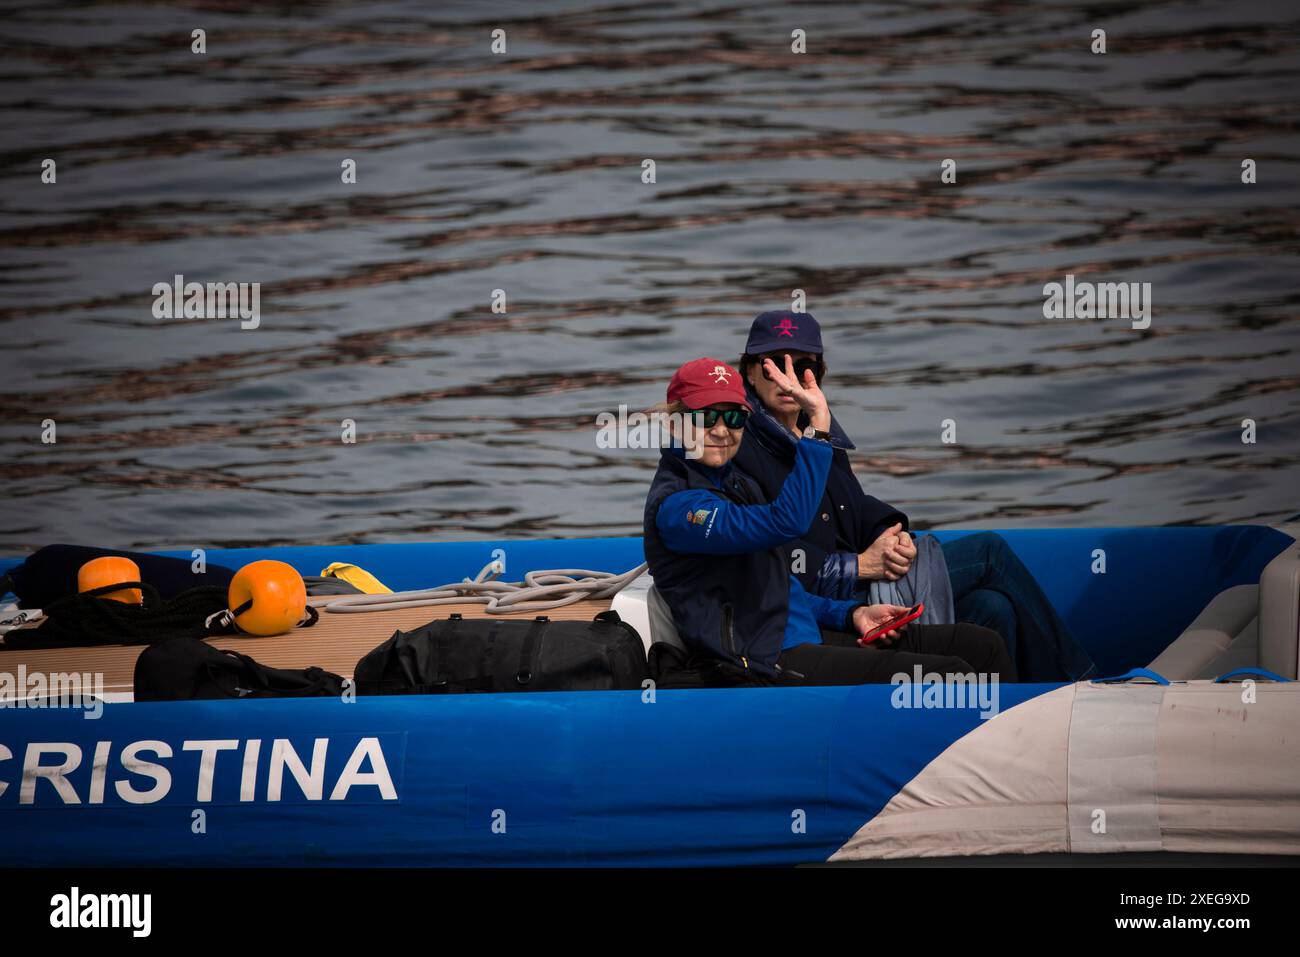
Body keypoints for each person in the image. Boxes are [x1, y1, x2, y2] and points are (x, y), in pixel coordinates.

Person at [731, 309, 1096, 682]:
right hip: (829, 597)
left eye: (802, 364)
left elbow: (850, 504)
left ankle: (1020, 715)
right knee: (990, 552)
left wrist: (889, 533)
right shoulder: (739, 445)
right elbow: (763, 551)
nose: (787, 378)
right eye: (773, 364)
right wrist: (858, 565)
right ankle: (1080, 681)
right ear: (749, 371)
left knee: (992, 607)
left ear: (819, 373)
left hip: (866, 575)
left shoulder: (815, 423)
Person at [641, 355, 1016, 686]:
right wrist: (818, 430)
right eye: (706, 417)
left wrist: (852, 613)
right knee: (954, 672)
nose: (721, 430)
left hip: (799, 635)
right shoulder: (680, 508)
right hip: (763, 662)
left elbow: (778, 586)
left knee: (980, 645)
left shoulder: (737, 483)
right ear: (675, 424)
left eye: (734, 416)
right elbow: (786, 522)